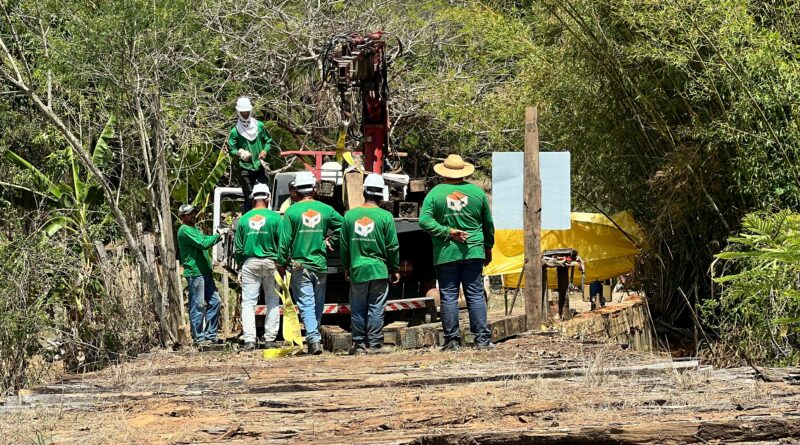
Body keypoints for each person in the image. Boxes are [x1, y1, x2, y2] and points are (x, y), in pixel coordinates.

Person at [419, 154, 495, 351]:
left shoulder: (435, 194)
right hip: (473, 251)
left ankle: (452, 340)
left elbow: (424, 221)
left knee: (449, 296)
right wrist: (488, 247)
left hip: (446, 253)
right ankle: (482, 340)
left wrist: (447, 231)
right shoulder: (477, 194)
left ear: (443, 172)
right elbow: (488, 225)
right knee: (476, 294)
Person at [277, 171, 344, 355]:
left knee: (306, 303)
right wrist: (330, 240)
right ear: (314, 189)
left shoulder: (291, 212)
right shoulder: (326, 210)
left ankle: (314, 340)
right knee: (317, 303)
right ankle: (315, 337)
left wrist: (281, 264)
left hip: (299, 265)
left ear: (297, 190)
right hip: (320, 264)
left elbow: (284, 242)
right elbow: (344, 225)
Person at [340, 174, 400, 355]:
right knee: (376, 307)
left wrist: (347, 266)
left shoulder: (349, 216)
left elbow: (344, 245)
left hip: (358, 269)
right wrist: (394, 267)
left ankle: (358, 345)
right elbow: (393, 246)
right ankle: (374, 344)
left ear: (364, 191)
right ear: (381, 194)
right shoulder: (386, 217)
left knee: (358, 307)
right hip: (379, 270)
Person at [233, 183, 282, 351]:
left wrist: (241, 263)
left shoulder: (244, 219)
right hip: (271, 263)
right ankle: (269, 339)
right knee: (273, 301)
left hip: (250, 263)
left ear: (252, 198)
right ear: (268, 198)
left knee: (248, 303)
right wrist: (281, 263)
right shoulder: (276, 218)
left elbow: (238, 248)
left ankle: (250, 341)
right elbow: (282, 244)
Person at [176, 204, 226, 346]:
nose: (193, 215)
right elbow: (204, 243)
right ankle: (199, 338)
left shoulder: (194, 229)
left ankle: (210, 336)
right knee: (197, 305)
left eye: (194, 213)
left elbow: (203, 239)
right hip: (195, 273)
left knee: (215, 302)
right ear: (182, 217)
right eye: (190, 214)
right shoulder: (184, 230)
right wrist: (219, 235)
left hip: (204, 272)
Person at [225, 97, 273, 213]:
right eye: (243, 112)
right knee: (249, 196)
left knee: (265, 192)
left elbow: (268, 141)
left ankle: (266, 216)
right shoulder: (235, 131)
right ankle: (248, 218)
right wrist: (240, 153)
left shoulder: (259, 126)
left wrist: (265, 151)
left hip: (260, 166)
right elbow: (231, 148)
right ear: (239, 112)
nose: (245, 114)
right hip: (246, 168)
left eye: (247, 112)